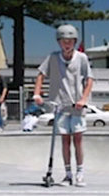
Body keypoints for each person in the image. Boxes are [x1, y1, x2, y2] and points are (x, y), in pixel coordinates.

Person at [33, 24, 93, 187]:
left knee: (78, 140)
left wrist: (84, 99)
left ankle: (80, 173)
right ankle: (68, 174)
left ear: (75, 42)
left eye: (70, 41)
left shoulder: (82, 58)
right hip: (60, 105)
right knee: (65, 140)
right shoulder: (53, 57)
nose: (67, 44)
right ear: (59, 42)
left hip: (77, 106)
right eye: (64, 41)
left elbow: (89, 79)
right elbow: (41, 75)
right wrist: (37, 93)